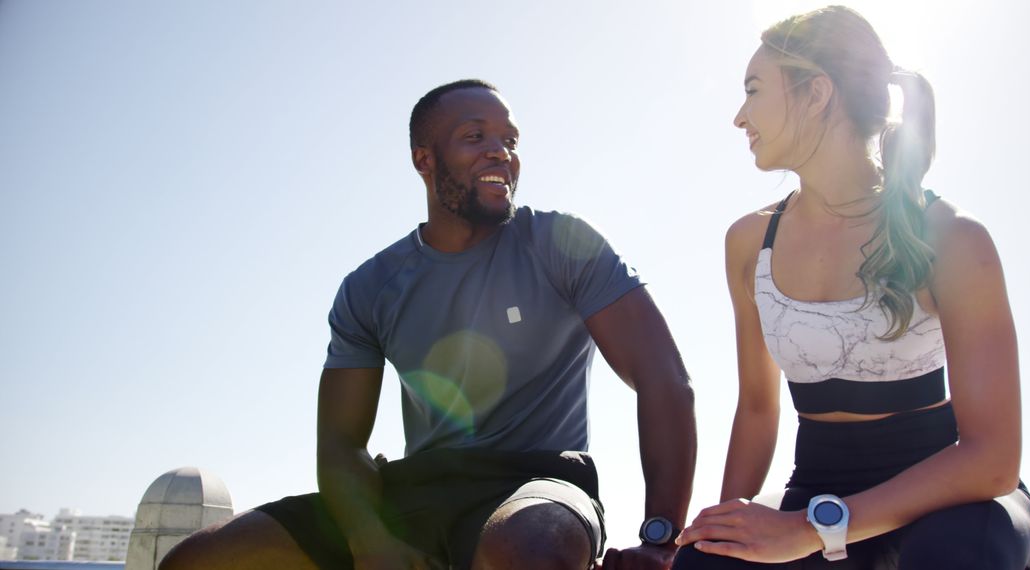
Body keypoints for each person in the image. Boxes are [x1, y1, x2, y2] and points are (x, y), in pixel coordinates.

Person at [159, 79, 696, 570]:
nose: (501, 152)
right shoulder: (370, 287)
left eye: (510, 140)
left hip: (539, 484)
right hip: (414, 488)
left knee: (529, 547)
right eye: (475, 136)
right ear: (424, 159)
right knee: (194, 561)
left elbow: (664, 379)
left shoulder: (562, 244)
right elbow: (342, 443)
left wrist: (660, 538)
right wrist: (370, 539)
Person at [671, 6, 1030, 570]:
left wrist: (815, 530)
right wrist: (726, 526)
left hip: (950, 495)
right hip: (814, 482)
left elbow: (992, 460)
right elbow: (758, 407)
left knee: (955, 557)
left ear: (816, 93)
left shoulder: (953, 237)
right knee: (705, 565)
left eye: (753, 90)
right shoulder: (749, 242)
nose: (739, 117)